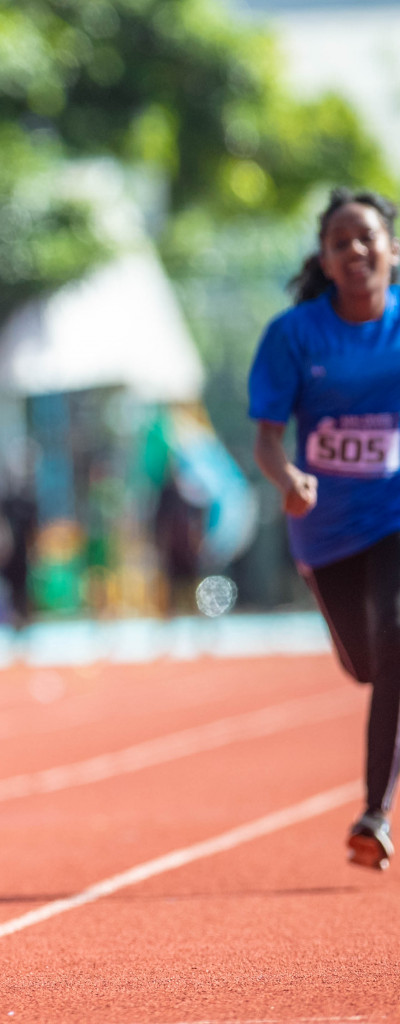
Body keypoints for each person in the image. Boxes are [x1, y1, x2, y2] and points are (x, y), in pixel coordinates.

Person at [248, 187, 400, 871]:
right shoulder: (295, 334)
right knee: (368, 664)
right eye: (340, 242)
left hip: (395, 513)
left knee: (397, 641)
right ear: (327, 260)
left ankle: (374, 815)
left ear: (391, 249)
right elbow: (267, 440)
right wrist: (290, 482)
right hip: (325, 528)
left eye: (366, 236)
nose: (356, 250)